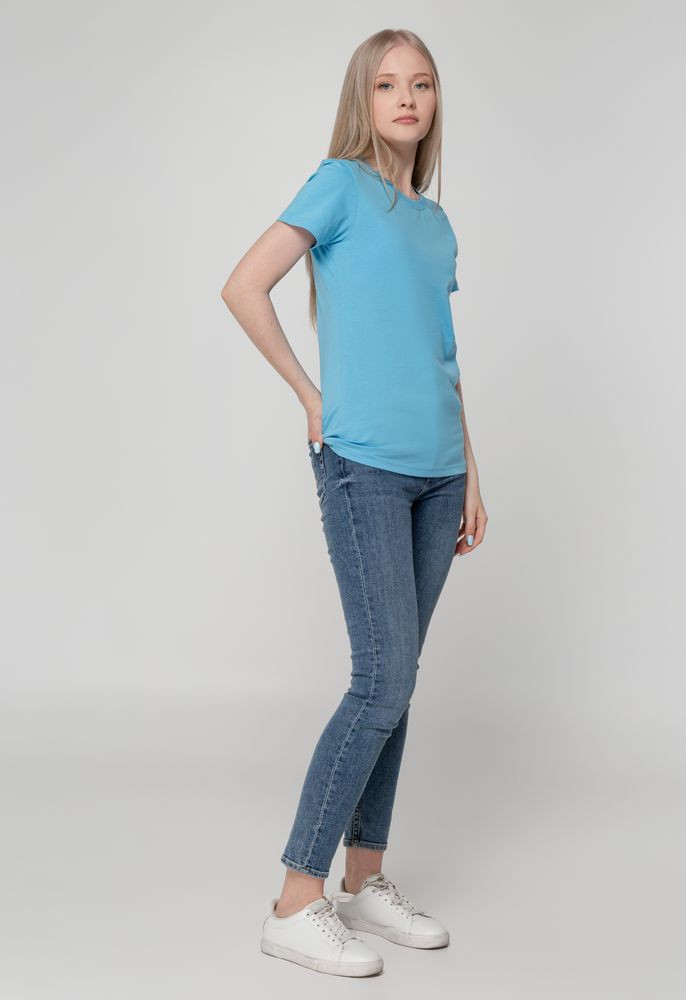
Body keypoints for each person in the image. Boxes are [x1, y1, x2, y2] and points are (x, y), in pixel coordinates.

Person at [221, 28, 488, 978]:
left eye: (422, 83)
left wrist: (472, 472)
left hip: (438, 475)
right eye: (387, 85)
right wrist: (310, 396)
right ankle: (297, 900)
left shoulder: (436, 223)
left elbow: (440, 356)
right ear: (362, 100)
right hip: (363, 465)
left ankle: (365, 880)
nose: (406, 98)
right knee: (381, 680)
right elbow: (243, 286)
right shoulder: (337, 185)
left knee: (399, 677)